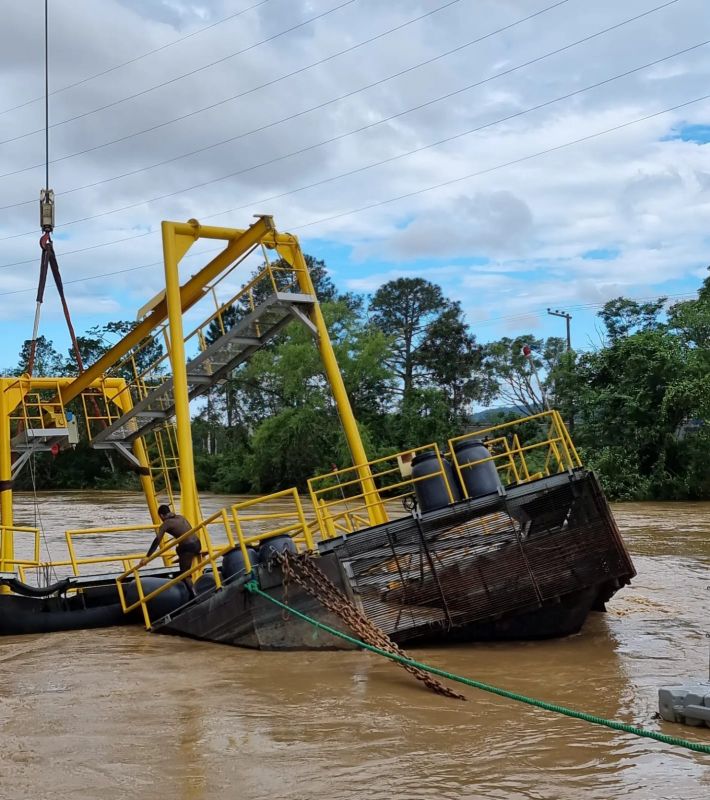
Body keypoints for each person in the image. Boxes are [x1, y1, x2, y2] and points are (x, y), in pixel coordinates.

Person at [144, 504, 201, 598]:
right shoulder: (181, 517)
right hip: (198, 544)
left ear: (161, 516)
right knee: (178, 548)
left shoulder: (166, 523)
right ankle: (183, 558)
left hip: (188, 547)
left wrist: (147, 556)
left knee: (185, 574)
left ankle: (195, 597)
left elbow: (157, 540)